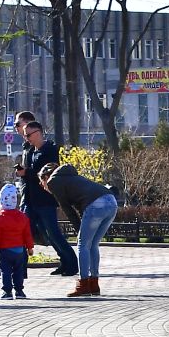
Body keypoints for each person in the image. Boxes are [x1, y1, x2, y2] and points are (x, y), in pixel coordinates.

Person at [36, 127, 118, 298]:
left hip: (96, 205)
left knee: (82, 245)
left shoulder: (53, 182)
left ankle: (83, 284)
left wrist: (79, 230)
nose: (43, 186)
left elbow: (68, 209)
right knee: (93, 244)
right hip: (111, 201)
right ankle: (93, 284)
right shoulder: (68, 177)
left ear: (46, 177)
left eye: (41, 182)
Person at [17, 116, 76, 276]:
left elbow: (47, 174)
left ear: (38, 133)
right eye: (24, 135)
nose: (26, 138)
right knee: (23, 233)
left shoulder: (50, 150)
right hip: (29, 199)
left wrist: (26, 173)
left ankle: (70, 263)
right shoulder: (30, 152)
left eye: (28, 135)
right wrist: (23, 173)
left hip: (45, 200)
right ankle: (19, 268)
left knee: (52, 233)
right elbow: (30, 173)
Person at [0, 183, 34, 299]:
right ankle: (19, 291)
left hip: (5, 250)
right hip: (19, 250)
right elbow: (27, 234)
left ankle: (7, 292)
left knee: (6, 271)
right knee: (19, 271)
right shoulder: (22, 217)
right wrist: (29, 247)